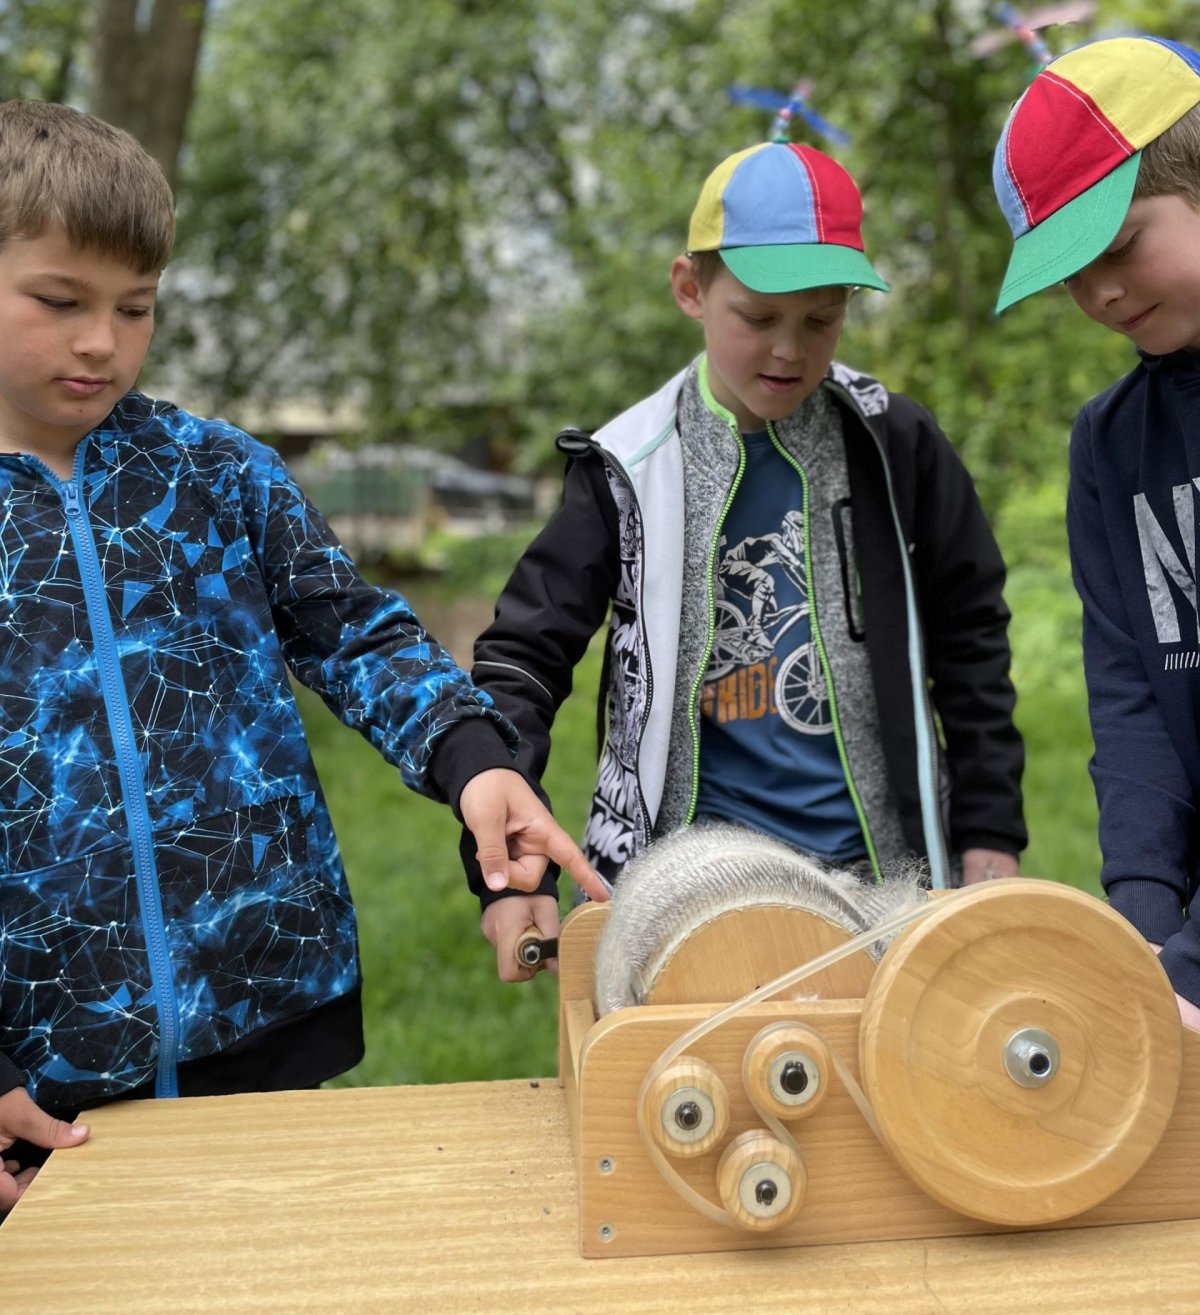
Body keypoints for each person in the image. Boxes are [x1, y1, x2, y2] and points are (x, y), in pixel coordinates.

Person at [0, 98, 606, 1209]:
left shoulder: (220, 474)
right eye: (60, 300)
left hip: (267, 1019)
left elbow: (358, 634)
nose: (102, 342)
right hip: (43, 1078)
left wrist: (477, 764)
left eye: (136, 307)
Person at [465, 139, 1026, 980]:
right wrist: (508, 875)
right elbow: (522, 658)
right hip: (683, 894)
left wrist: (989, 829)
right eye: (759, 319)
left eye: (820, 321)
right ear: (690, 288)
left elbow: (971, 633)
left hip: (883, 885)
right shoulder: (625, 467)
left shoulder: (894, 443)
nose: (789, 351)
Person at [989, 35, 1200, 1029]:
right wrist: (1144, 926)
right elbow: (1131, 697)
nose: (1101, 294)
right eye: (1071, 272)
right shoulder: (1110, 445)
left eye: (1118, 248)